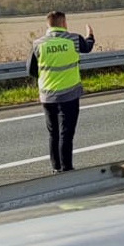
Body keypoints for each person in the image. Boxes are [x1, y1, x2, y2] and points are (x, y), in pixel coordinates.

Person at [27, 10, 95, 172]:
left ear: (48, 24)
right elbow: (88, 47)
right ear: (64, 23)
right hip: (69, 94)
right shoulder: (74, 39)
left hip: (47, 96)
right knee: (66, 133)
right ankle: (67, 169)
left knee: (53, 133)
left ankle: (56, 167)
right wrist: (90, 35)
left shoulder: (38, 44)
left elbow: (31, 70)